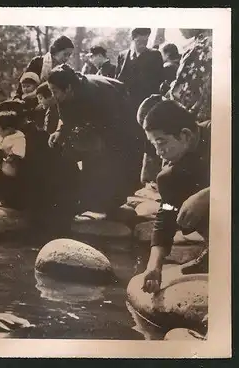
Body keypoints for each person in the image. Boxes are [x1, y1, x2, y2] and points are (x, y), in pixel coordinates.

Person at [47, 64, 145, 216]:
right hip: (100, 120)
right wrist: (60, 132)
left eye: (55, 91)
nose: (53, 95)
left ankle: (111, 204)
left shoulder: (96, 94)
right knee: (87, 151)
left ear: (68, 88)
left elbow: (113, 127)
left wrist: (95, 140)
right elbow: (66, 118)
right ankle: (91, 202)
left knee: (109, 157)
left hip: (121, 111)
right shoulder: (63, 94)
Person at [139, 99, 210, 294]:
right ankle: (215, 248)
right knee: (169, 180)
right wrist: (154, 266)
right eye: (153, 144)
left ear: (185, 135)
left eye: (161, 142)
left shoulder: (223, 133)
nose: (158, 151)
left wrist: (210, 194)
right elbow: (167, 213)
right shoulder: (172, 172)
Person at [166, 29, 212, 123]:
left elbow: (190, 88)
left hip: (197, 116)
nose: (179, 29)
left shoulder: (205, 47)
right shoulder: (197, 45)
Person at [115, 28, 164, 111]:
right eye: (139, 42)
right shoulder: (122, 56)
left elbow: (160, 79)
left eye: (145, 41)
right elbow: (117, 78)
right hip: (126, 103)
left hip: (146, 103)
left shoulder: (155, 55)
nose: (143, 45)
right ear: (133, 39)